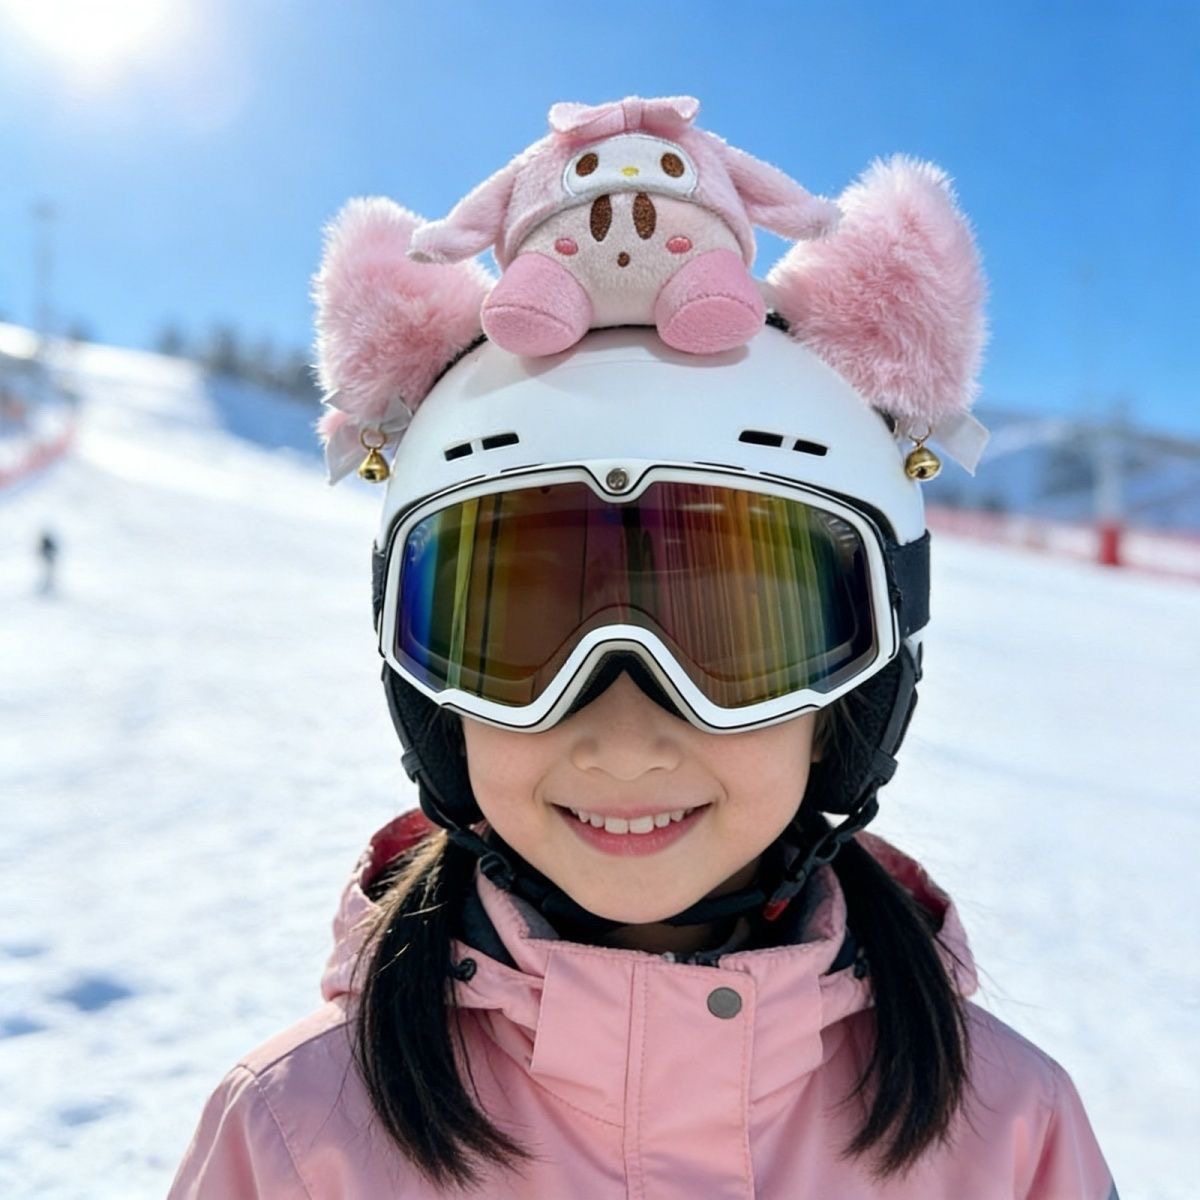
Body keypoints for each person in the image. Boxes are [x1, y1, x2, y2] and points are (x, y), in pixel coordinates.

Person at [170, 97, 1115, 1198]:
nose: (624, 740)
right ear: (425, 693)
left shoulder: (1007, 1136)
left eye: (738, 638)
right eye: (515, 634)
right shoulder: (297, 1140)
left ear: (860, 691)